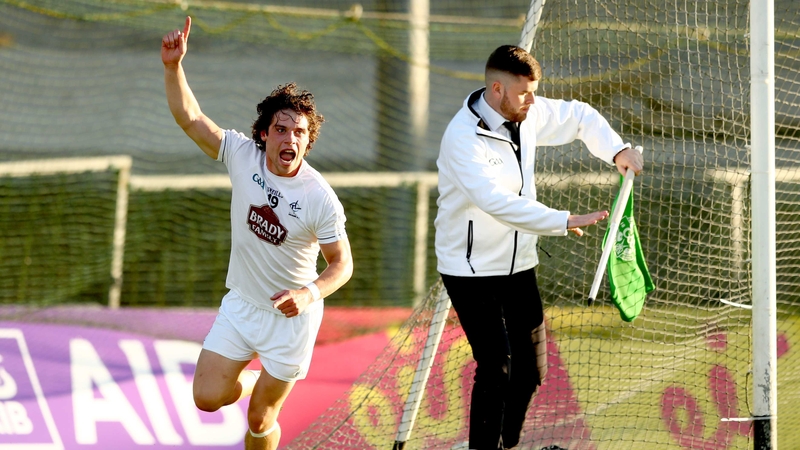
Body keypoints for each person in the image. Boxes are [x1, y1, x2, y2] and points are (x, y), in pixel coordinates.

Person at [434, 45, 644, 449]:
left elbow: (580, 116)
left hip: (519, 265)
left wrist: (616, 149)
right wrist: (561, 220)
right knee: (495, 366)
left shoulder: (525, 112)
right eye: (525, 93)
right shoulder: (462, 138)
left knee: (530, 371)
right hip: (470, 270)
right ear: (497, 89)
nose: (533, 101)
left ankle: (506, 443)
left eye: (535, 92)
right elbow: (496, 203)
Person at [161, 17, 354, 450]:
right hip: (243, 304)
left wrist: (308, 294)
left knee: (260, 418)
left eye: (300, 132)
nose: (290, 139)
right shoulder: (242, 155)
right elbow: (191, 118)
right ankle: (249, 378)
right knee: (206, 397)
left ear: (308, 140)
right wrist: (173, 68)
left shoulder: (320, 197)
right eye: (281, 129)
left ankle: (261, 399)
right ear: (265, 134)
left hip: (291, 320)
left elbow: (342, 264)